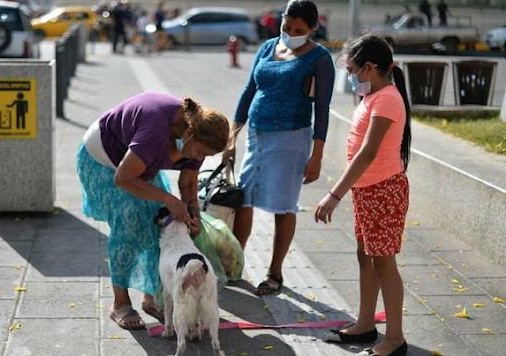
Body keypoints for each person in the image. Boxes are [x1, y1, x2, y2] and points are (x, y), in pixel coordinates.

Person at [76, 92, 229, 330]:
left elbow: (188, 184)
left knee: (159, 223)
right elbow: (123, 178)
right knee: (128, 223)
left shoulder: (195, 134)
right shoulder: (155, 131)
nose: (200, 159)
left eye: (206, 156)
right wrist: (168, 199)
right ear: (189, 134)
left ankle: (152, 296)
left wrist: (193, 218)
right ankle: (120, 302)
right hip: (103, 158)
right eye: (201, 153)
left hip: (138, 163)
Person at [223, 0, 335, 296]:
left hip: (291, 139)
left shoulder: (320, 59)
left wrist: (318, 155)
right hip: (257, 136)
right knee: (243, 199)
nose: (290, 33)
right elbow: (249, 90)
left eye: (299, 30)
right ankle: (234, 264)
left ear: (313, 29)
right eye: (287, 27)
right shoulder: (268, 47)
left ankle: (275, 272)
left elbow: (322, 109)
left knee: (283, 205)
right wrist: (233, 136)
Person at [315, 34, 411, 356]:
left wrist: (334, 194)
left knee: (384, 263)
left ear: (370, 68)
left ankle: (395, 339)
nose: (352, 76)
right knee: (365, 256)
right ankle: (366, 323)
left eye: (354, 69)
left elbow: (368, 153)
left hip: (383, 190)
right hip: (368, 190)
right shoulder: (373, 96)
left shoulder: (386, 99)